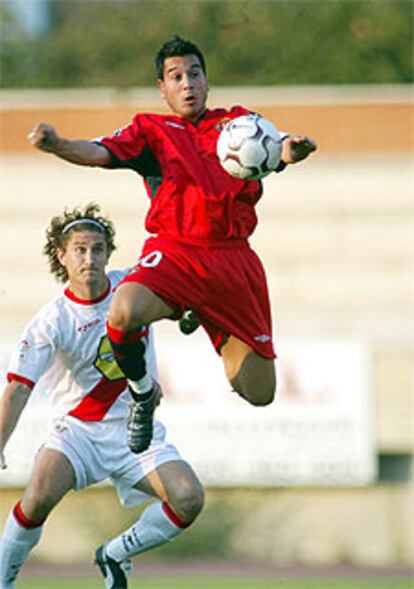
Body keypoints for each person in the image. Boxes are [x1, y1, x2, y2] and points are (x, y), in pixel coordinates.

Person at [28, 34, 317, 455]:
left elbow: (279, 147)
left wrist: (295, 151)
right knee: (124, 312)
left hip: (232, 260)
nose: (187, 84)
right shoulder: (152, 130)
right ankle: (144, 393)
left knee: (259, 391)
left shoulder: (238, 123)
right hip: (176, 251)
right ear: (162, 88)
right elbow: (99, 151)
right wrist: (57, 145)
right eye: (175, 77)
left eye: (194, 74)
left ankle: (194, 310)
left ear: (207, 81)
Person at [0, 204, 204, 589]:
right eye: (79, 249)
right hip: (78, 433)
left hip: (135, 433)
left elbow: (185, 302)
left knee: (188, 497)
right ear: (61, 256)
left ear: (109, 252)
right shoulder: (52, 320)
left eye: (97, 248)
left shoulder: (132, 288)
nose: (89, 258)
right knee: (38, 495)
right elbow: (19, 387)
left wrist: (192, 313)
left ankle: (114, 553)